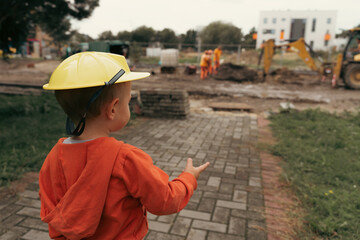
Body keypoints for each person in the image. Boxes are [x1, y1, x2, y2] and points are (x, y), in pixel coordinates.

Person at [39, 52, 210, 240]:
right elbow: (164, 201)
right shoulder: (125, 159)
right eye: (128, 102)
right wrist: (188, 178)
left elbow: (49, 202)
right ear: (113, 109)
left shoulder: (53, 157)